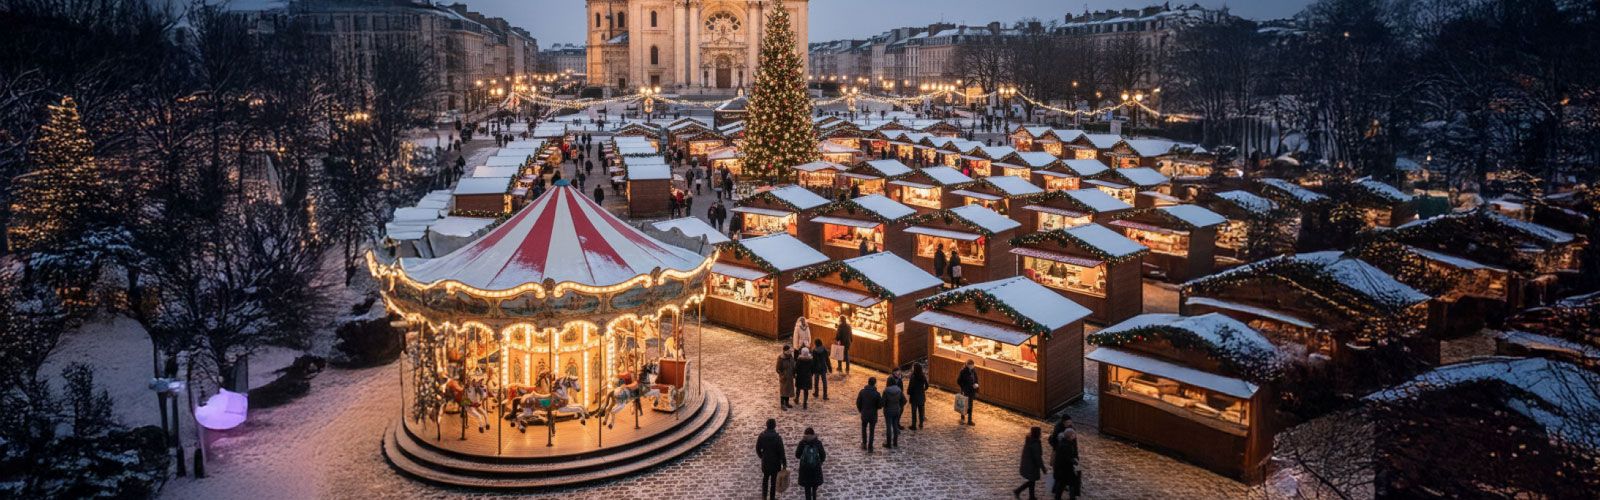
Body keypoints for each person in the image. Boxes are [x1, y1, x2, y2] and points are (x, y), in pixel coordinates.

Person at [1049, 419, 1081, 500]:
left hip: (1062, 470)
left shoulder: (1064, 443)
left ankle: (1058, 497)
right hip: (1065, 470)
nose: (1075, 436)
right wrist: (1073, 461)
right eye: (1074, 435)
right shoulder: (1066, 445)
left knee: (1062, 484)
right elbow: (1066, 458)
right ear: (1070, 436)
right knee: (1070, 484)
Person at [755, 419, 786, 500]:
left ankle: (764, 497)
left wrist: (762, 456)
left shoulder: (762, 436)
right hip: (775, 463)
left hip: (765, 462)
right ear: (774, 426)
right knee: (773, 482)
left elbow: (757, 448)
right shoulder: (777, 438)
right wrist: (784, 464)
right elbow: (782, 452)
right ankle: (772, 498)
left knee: (765, 479)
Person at [1015, 427, 1047, 499]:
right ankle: (1018, 491)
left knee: (1032, 481)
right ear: (1037, 434)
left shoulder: (1030, 440)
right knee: (1032, 480)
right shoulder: (1035, 444)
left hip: (1028, 463)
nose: (1041, 434)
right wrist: (1043, 468)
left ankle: (1031, 497)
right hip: (1031, 465)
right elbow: (1038, 458)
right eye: (1040, 433)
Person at [795, 427, 826, 500]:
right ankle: (814, 496)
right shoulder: (818, 442)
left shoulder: (802, 443)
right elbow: (823, 456)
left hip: (805, 470)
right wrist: (819, 462)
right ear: (813, 434)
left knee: (807, 489)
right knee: (815, 486)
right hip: (816, 469)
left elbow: (797, 455)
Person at [855, 377, 882, 453]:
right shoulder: (877, 394)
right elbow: (880, 405)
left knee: (864, 428)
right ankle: (870, 447)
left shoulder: (862, 392)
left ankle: (864, 443)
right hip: (873, 415)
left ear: (868, 382)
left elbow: (858, 402)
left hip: (864, 413)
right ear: (875, 383)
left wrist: (861, 410)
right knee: (872, 430)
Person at [881, 377, 905, 449]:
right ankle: (895, 442)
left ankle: (888, 443)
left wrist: (885, 406)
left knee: (889, 427)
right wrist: (899, 406)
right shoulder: (899, 390)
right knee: (895, 426)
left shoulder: (886, 391)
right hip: (896, 410)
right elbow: (904, 400)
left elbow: (882, 402)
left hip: (888, 411)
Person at [957, 359, 980, 425]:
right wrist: (963, 388)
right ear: (967, 365)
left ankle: (969, 420)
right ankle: (962, 419)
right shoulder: (963, 371)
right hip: (965, 391)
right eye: (971, 365)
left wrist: (976, 386)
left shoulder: (973, 371)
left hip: (971, 391)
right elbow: (958, 381)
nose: (972, 366)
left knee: (970, 406)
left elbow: (976, 379)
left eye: (973, 365)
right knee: (963, 404)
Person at [908, 362, 929, 430]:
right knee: (921, 411)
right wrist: (923, 390)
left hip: (914, 397)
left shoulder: (913, 377)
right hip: (921, 396)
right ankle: (921, 424)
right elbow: (927, 385)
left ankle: (914, 425)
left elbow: (911, 386)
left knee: (914, 412)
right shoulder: (923, 376)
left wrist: (909, 392)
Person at [777, 346, 796, 410]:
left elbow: (793, 365)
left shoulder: (791, 357)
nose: (790, 352)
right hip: (784, 377)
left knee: (788, 390)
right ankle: (782, 404)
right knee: (783, 391)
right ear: (785, 351)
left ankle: (787, 403)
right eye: (788, 351)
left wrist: (794, 373)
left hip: (790, 376)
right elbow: (778, 369)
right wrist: (782, 375)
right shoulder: (780, 358)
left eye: (790, 351)